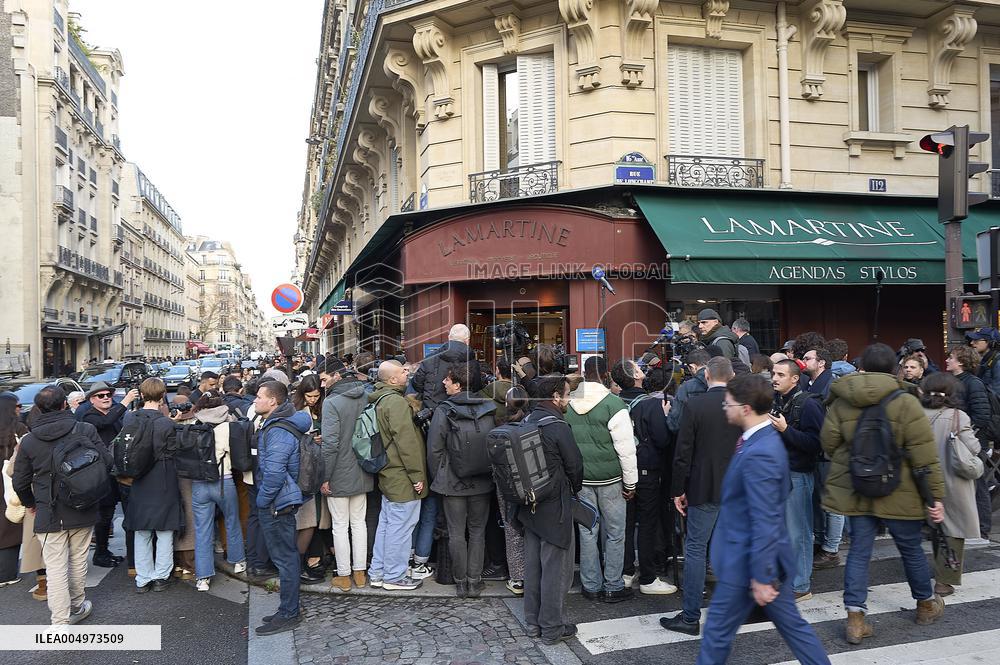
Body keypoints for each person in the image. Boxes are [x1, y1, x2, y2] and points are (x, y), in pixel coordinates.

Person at [695, 374, 830, 664]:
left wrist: (762, 575)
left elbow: (766, 516)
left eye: (728, 404)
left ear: (745, 408)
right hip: (758, 560)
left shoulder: (761, 452)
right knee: (793, 628)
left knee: (717, 633)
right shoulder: (758, 440)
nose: (724, 408)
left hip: (748, 562)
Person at [822, 343, 945, 645]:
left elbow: (828, 444)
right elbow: (924, 456)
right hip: (900, 488)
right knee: (911, 549)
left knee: (860, 552)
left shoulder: (842, 399)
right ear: (896, 369)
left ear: (861, 368)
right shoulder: (906, 402)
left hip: (857, 486)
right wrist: (936, 497)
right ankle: (926, 604)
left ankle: (855, 619)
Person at [12, 385, 110, 625]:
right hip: (82, 504)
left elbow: (20, 481)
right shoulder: (84, 429)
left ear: (38, 408)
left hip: (48, 509)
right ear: (65, 404)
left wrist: (30, 503)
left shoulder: (29, 440)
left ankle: (60, 621)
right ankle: (77, 604)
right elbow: (106, 462)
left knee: (55, 568)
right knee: (78, 561)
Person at [662, 357, 741, 636]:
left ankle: (691, 615)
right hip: (736, 486)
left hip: (703, 485)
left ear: (706, 375)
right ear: (730, 376)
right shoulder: (742, 406)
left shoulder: (695, 404)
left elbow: (683, 452)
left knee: (695, 548)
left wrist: (677, 490)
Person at [516, 374, 584, 645]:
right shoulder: (558, 426)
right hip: (555, 506)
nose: (568, 399)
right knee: (556, 570)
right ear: (556, 396)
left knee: (533, 567)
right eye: (567, 394)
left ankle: (533, 623)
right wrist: (573, 490)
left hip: (528, 505)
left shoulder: (526, 420)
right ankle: (552, 628)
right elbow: (575, 467)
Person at [566, 356, 638, 603]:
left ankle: (591, 585)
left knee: (588, 532)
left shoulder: (569, 404)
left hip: (582, 479)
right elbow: (626, 449)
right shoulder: (614, 404)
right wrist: (631, 483)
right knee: (615, 533)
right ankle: (613, 585)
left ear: (584, 373)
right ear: (606, 374)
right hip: (611, 479)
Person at [426, 364, 496, 598]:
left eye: (447, 379)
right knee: (478, 531)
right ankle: (475, 581)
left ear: (458, 384)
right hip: (482, 479)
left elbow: (434, 450)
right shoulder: (489, 407)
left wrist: (441, 477)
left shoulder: (443, 410)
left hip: (452, 481)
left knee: (456, 533)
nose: (444, 383)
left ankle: (461, 582)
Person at [252, 380, 311, 635]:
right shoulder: (278, 424)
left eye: (258, 397)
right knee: (285, 558)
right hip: (281, 500)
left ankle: (289, 613)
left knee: (285, 560)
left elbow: (274, 473)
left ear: (273, 401)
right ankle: (287, 609)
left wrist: (262, 502)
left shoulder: (277, 430)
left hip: (278, 503)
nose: (254, 401)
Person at [614, 361, 676, 595]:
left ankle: (626, 571)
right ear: (636, 376)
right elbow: (662, 439)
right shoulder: (651, 404)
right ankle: (648, 577)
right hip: (647, 469)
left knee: (625, 524)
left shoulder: (615, 402)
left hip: (620, 469)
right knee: (648, 523)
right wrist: (665, 415)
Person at [368, 361, 428, 591]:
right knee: (401, 528)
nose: (407, 371)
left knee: (387, 525)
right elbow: (407, 443)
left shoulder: (382, 399)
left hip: (390, 474)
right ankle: (394, 576)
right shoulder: (395, 403)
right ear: (392, 380)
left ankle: (379, 572)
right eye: (402, 370)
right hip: (402, 475)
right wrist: (416, 475)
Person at [920, 372, 981, 596]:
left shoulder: (917, 414)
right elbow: (973, 448)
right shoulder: (958, 416)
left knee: (934, 524)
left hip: (923, 477)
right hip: (952, 477)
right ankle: (944, 580)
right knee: (953, 528)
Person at [770, 359, 824, 601]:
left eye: (780, 374)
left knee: (798, 532)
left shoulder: (808, 404)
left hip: (798, 474)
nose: (774, 378)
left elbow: (816, 444)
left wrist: (785, 430)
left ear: (794, 378)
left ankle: (801, 584)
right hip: (779, 473)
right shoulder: (777, 400)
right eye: (774, 373)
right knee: (784, 531)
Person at [124, 378, 182, 593]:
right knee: (164, 530)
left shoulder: (130, 419)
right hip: (162, 478)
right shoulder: (165, 423)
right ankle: (161, 576)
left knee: (142, 531)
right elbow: (173, 450)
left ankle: (143, 578)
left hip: (138, 479)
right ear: (162, 395)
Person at [320, 358, 373, 592]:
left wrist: (325, 476)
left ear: (336, 376)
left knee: (340, 526)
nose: (322, 384)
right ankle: (360, 572)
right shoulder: (364, 395)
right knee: (359, 523)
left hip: (338, 470)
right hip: (362, 467)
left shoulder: (331, 402)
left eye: (324, 379)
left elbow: (330, 445)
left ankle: (344, 575)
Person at [189, 392, 247, 592]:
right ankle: (239, 561)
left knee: (202, 530)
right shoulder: (227, 427)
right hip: (224, 481)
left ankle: (203, 578)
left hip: (198, 483)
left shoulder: (193, 425)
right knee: (232, 520)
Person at [78, 381, 139, 569]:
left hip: (121, 469)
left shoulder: (117, 415)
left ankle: (133, 555)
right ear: (91, 400)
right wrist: (125, 401)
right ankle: (101, 552)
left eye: (108, 395)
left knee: (130, 511)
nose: (106, 398)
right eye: (100, 396)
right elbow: (105, 422)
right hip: (102, 472)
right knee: (105, 514)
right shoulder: (90, 416)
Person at [947, 345, 993, 540]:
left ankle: (982, 527)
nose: (948, 359)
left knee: (978, 484)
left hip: (971, 443)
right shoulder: (954, 381)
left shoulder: (973, 383)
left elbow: (982, 416)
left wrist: (966, 435)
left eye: (951, 357)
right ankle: (968, 525)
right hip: (959, 440)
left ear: (961, 361)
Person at [291, 374, 329, 583]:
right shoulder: (296, 410)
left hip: (317, 467)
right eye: (310, 395)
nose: (313, 399)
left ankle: (312, 558)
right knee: (308, 520)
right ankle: (301, 563)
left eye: (316, 396)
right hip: (305, 471)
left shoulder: (321, 408)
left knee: (315, 519)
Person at [411, 324, 484, 411]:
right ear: (467, 341)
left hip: (432, 409)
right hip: (461, 411)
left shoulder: (430, 358)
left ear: (449, 338)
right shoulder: (472, 362)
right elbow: (476, 387)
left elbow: (417, 383)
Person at [0, 393, 28, 586]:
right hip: (10, 482)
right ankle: (7, 574)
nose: (20, 408)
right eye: (17, 405)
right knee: (11, 523)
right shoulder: (18, 429)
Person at [665, 349, 711, 437]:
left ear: (693, 367)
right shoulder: (723, 382)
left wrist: (666, 414)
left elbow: (675, 425)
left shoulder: (686, 387)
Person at [968, 327, 1000, 393]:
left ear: (990, 342)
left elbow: (997, 394)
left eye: (976, 340)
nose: (971, 343)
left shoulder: (997, 362)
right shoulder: (985, 361)